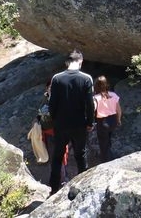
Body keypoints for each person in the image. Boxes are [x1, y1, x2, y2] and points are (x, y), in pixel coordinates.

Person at [47, 50, 94, 196]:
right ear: (80, 61)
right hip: (79, 124)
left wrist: (54, 119)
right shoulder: (86, 78)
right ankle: (82, 186)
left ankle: (54, 189)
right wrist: (90, 122)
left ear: (67, 62)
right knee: (80, 154)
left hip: (61, 124)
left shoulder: (56, 78)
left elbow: (52, 103)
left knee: (57, 156)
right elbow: (89, 104)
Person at [93, 75, 122, 163]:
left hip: (102, 122)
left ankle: (106, 161)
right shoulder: (113, 95)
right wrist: (119, 120)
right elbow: (119, 110)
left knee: (103, 144)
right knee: (108, 140)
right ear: (107, 85)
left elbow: (93, 110)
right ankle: (110, 157)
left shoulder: (95, 98)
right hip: (113, 120)